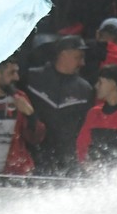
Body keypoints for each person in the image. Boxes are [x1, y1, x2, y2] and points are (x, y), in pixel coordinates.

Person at [23, 35, 94, 174]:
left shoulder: (84, 89)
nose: (83, 63)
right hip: (34, 158)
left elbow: (85, 127)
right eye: (78, 57)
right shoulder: (32, 78)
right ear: (63, 54)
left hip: (67, 162)